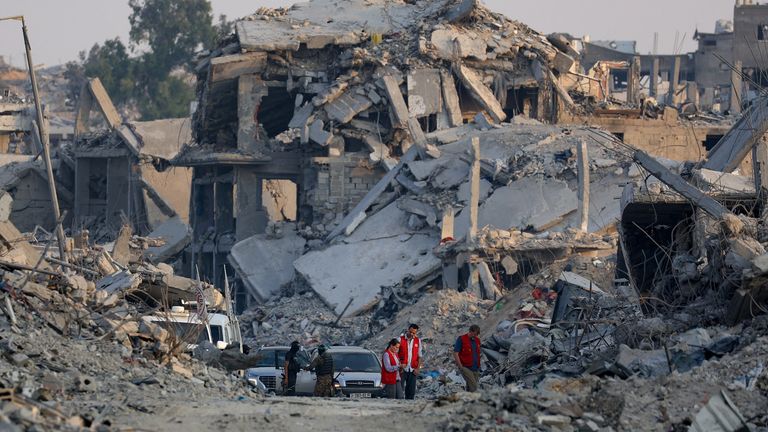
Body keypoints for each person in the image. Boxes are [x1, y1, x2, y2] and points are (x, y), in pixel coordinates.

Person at [453, 324, 481, 392]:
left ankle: (468, 397)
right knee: (474, 387)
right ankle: (476, 398)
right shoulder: (461, 339)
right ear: (470, 331)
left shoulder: (477, 340)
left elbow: (478, 353)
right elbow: (455, 353)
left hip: (475, 368)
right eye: (474, 334)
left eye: (476, 335)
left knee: (470, 386)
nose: (475, 336)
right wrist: (460, 366)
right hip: (466, 367)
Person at [398, 324, 423, 399]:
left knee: (411, 392)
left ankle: (408, 405)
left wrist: (417, 369)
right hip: (402, 369)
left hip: (412, 370)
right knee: (399, 391)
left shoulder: (418, 341)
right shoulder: (400, 339)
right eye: (410, 332)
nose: (412, 334)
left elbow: (420, 356)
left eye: (414, 333)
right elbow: (395, 354)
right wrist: (400, 366)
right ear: (408, 330)